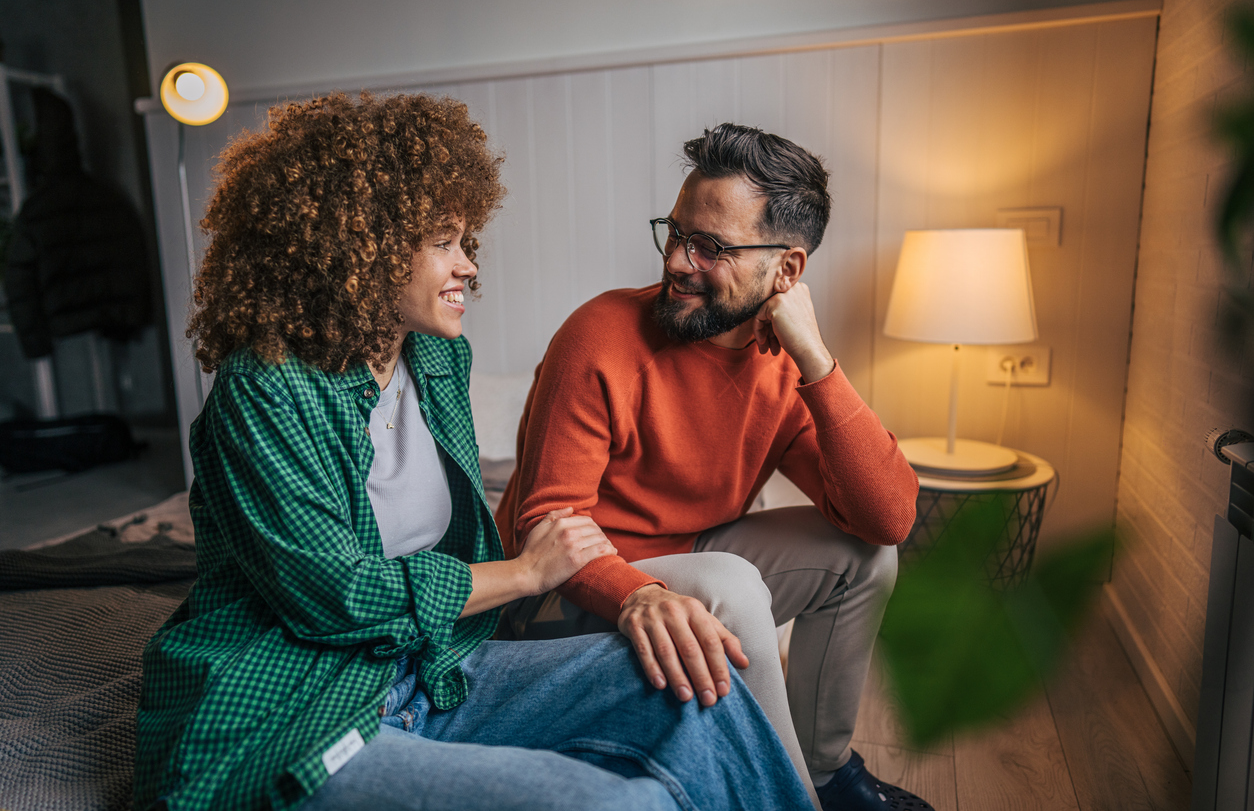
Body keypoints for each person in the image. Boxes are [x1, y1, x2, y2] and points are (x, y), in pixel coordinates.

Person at [132, 94, 813, 811]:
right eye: (443, 241)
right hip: (297, 708)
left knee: (702, 685)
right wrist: (523, 574)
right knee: (619, 804)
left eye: (468, 240)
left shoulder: (434, 360)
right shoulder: (264, 389)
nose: (469, 266)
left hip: (440, 668)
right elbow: (333, 597)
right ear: (355, 243)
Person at [496, 123, 932, 811]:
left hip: (688, 559)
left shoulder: (784, 363)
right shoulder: (600, 334)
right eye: (675, 233)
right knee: (729, 581)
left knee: (866, 557)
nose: (677, 261)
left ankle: (823, 771)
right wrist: (637, 590)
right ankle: (789, 800)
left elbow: (889, 516)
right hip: (559, 599)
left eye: (711, 247)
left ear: (785, 271)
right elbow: (546, 524)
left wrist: (816, 360)